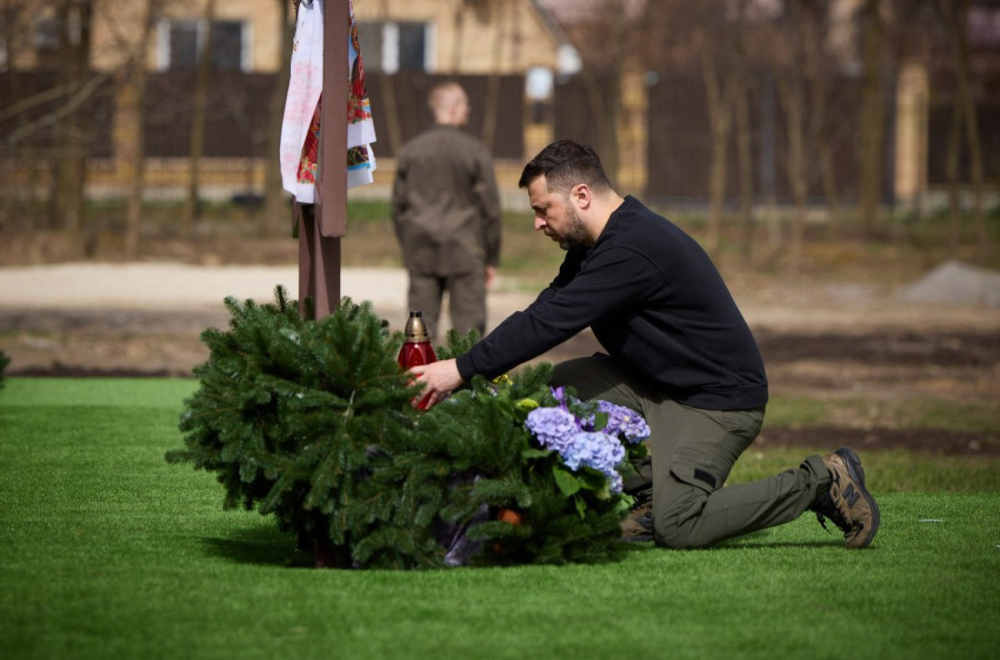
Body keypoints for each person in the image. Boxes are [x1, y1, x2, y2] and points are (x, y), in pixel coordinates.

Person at [410, 140, 880, 550]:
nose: (537, 223)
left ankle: (821, 479)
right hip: (652, 385)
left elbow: (551, 323)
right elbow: (546, 307)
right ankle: (652, 492)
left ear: (581, 195)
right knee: (540, 396)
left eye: (541, 209)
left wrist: (462, 368)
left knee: (680, 527)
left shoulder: (630, 250)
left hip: (716, 402)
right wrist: (479, 373)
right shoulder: (593, 246)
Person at [391, 81, 502, 343]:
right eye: (465, 105)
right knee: (469, 335)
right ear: (453, 109)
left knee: (419, 334)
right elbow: (491, 210)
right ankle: (468, 384)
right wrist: (491, 256)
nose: (469, 110)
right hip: (466, 250)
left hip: (421, 249)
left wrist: (408, 243)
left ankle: (419, 383)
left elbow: (397, 207)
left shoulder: (411, 151)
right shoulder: (475, 151)